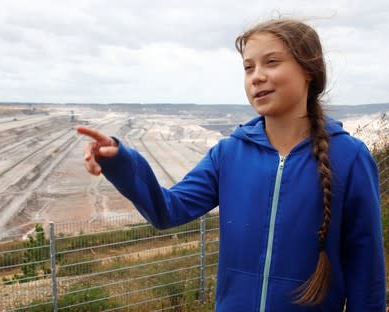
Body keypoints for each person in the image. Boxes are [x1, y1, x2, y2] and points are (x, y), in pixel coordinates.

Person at [77, 18, 386, 311]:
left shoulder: (350, 158)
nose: (257, 76)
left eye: (271, 62)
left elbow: (367, 273)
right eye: (248, 67)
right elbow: (166, 210)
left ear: (309, 70)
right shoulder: (228, 154)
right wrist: (119, 161)